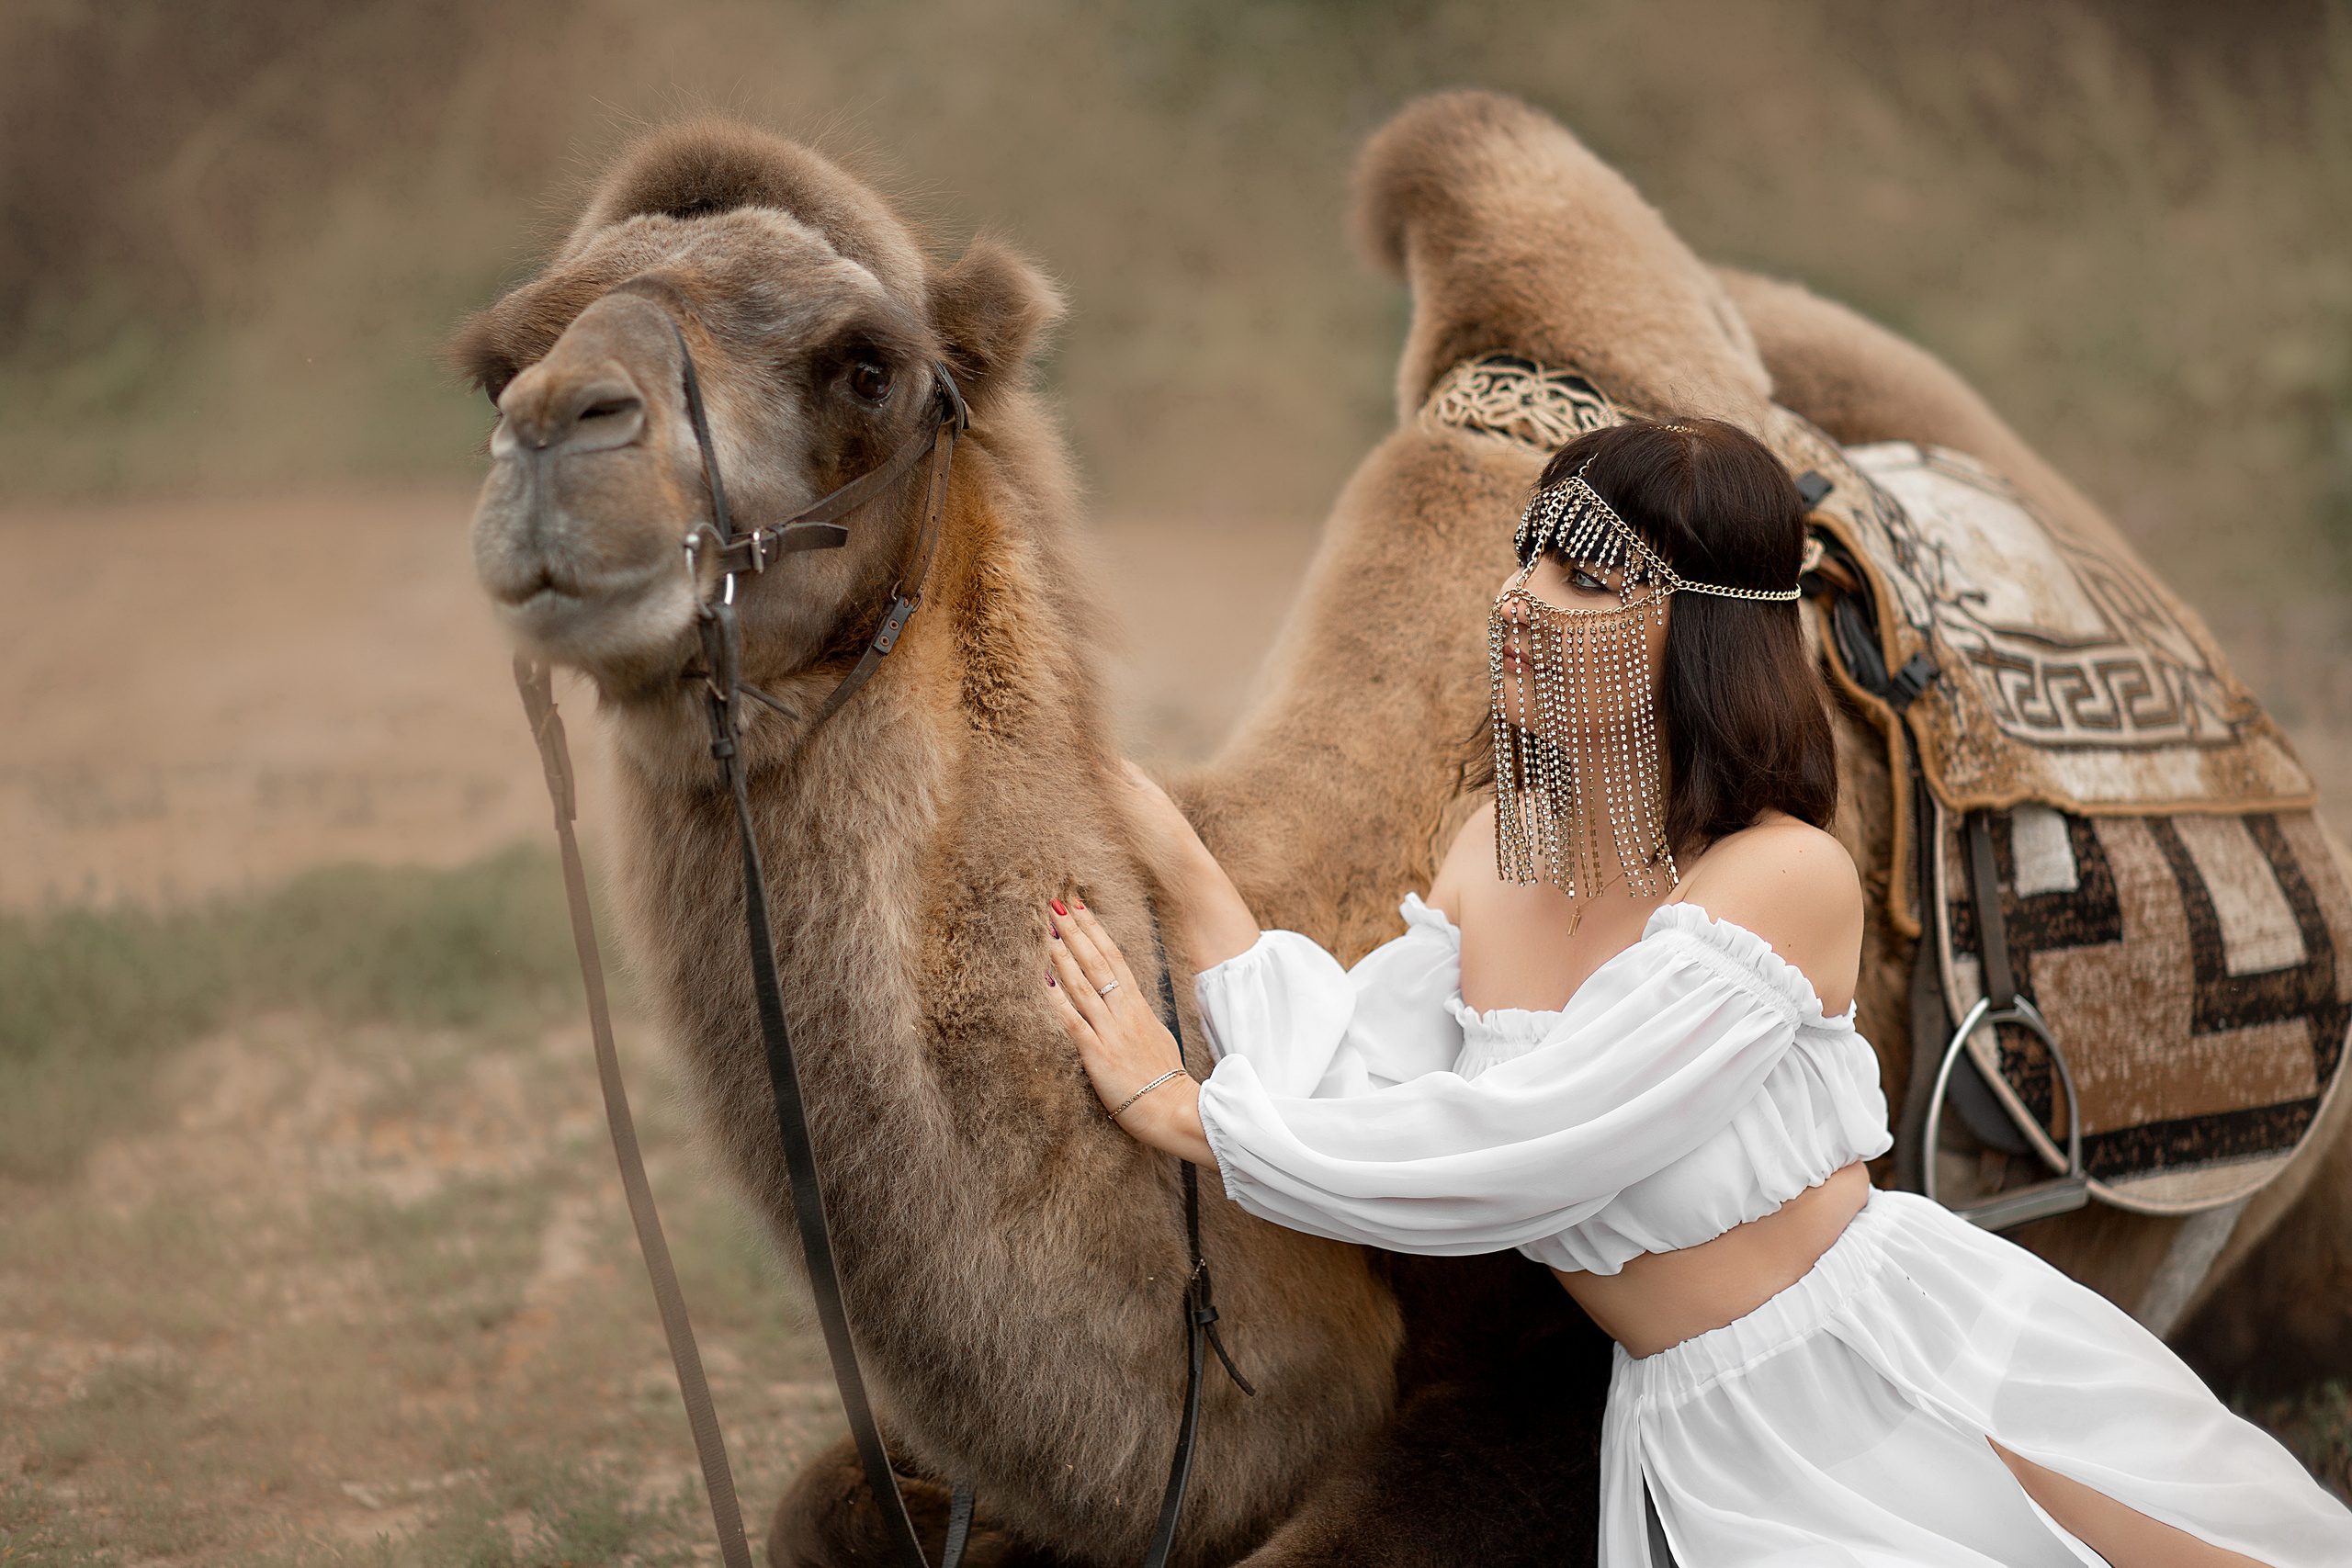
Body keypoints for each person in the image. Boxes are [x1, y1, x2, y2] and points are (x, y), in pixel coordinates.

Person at [1040, 419, 2352, 1568]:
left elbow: (1538, 1146)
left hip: (1898, 1367)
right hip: (1694, 1422)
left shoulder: (1782, 878)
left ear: (1684, 622)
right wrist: (1178, 866)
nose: (1516, 600)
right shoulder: (1495, 848)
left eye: (1577, 574)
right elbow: (1358, 1076)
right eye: (1524, 555)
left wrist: (1191, 1116)